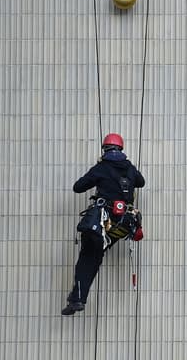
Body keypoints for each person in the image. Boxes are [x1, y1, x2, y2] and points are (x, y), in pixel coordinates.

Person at [62, 133, 145, 316]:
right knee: (94, 256)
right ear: (121, 149)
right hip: (121, 224)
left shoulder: (102, 167)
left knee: (87, 259)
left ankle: (77, 299)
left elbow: (78, 187)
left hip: (101, 223)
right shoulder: (130, 168)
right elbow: (141, 182)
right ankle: (77, 299)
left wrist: (100, 173)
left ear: (105, 149)